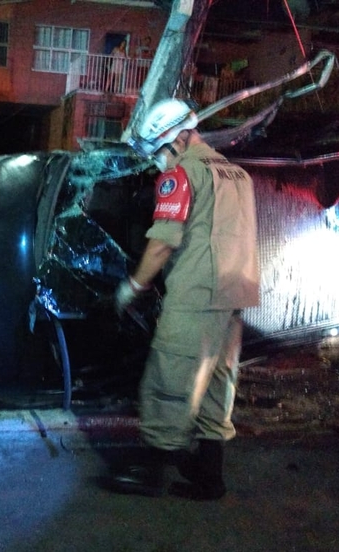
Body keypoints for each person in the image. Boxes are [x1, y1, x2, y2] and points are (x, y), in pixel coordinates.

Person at [111, 98, 259, 500]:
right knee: (216, 383)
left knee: (169, 378)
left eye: (158, 150)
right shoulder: (237, 174)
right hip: (235, 294)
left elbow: (162, 243)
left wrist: (134, 287)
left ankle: (150, 473)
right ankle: (209, 476)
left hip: (197, 292)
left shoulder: (181, 174)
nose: (157, 161)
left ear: (178, 138)